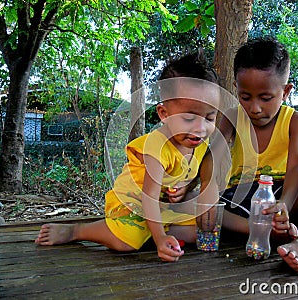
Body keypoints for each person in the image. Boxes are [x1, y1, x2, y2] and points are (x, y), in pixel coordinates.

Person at [35, 52, 220, 262]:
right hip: (134, 203)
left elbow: (192, 173)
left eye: (209, 118)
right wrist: (160, 240)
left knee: (198, 232)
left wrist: (185, 186)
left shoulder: (199, 143)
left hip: (163, 206)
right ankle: (77, 231)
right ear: (164, 114)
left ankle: (151, 232)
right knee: (126, 242)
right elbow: (148, 197)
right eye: (189, 118)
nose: (201, 128)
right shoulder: (157, 147)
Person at [200, 37, 298, 274]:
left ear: (285, 91)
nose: (254, 108)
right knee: (205, 200)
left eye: (265, 98)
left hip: (285, 198)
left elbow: (296, 168)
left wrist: (283, 203)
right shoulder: (232, 116)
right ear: (236, 88)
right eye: (245, 97)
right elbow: (214, 155)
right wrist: (203, 187)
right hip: (243, 201)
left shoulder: (294, 121)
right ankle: (266, 232)